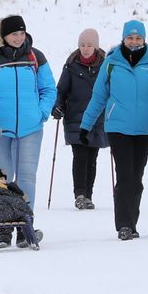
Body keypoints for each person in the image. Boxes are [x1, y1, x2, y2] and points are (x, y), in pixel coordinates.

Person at [80, 19, 148, 241]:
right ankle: (124, 224)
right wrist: (86, 125)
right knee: (124, 175)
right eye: (130, 38)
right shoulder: (111, 63)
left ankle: (132, 222)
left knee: (136, 177)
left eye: (138, 38)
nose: (134, 42)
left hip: (145, 129)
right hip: (118, 127)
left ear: (144, 39)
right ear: (123, 38)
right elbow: (99, 96)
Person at [0, 14, 56, 246]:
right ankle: (4, 228)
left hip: (31, 127)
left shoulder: (36, 57)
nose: (19, 38)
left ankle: (25, 225)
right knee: (1, 178)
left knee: (27, 176)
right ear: (3, 35)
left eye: (21, 33)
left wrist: (41, 112)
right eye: (14, 33)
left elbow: (48, 89)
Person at [54, 28, 108, 210]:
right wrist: (58, 106)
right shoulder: (71, 64)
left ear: (96, 46)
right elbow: (61, 90)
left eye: (89, 45)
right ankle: (79, 194)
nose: (85, 49)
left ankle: (88, 195)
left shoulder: (106, 65)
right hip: (75, 115)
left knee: (92, 156)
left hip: (98, 118)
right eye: (82, 45)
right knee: (80, 155)